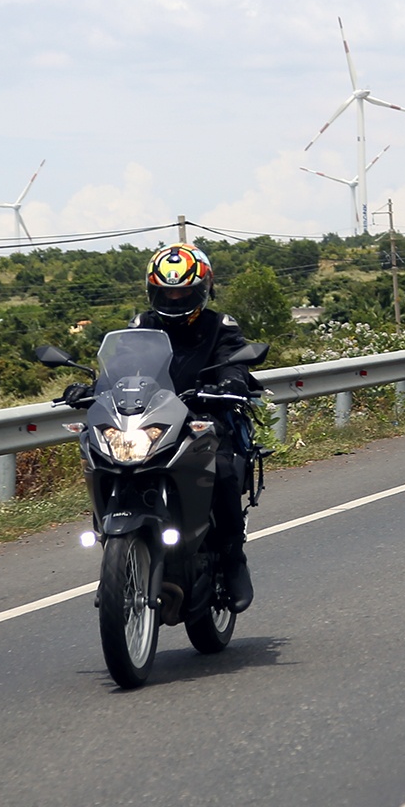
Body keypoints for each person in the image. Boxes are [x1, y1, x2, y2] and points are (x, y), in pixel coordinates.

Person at [134, 244, 256, 612]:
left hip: (205, 418)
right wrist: (93, 388)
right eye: (167, 290)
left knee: (220, 469)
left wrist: (231, 382)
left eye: (182, 290)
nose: (174, 297)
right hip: (152, 422)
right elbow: (123, 363)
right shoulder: (142, 325)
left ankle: (233, 558)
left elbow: (234, 361)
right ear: (154, 290)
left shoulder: (220, 326)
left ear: (201, 288)